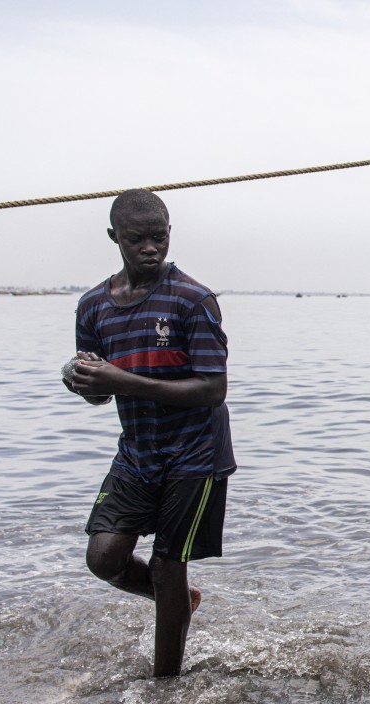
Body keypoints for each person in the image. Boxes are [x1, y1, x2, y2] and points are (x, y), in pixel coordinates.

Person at [63, 189, 235, 678]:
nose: (150, 249)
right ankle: (181, 601)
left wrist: (121, 381)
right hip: (138, 452)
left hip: (195, 454)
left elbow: (212, 390)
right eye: (138, 240)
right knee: (104, 556)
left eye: (158, 238)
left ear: (169, 234)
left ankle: (165, 688)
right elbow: (100, 391)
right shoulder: (93, 306)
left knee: (166, 563)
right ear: (115, 237)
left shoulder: (192, 300)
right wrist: (86, 383)